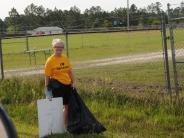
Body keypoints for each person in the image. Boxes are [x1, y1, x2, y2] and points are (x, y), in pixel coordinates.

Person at [44, 38, 75, 129]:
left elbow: (70, 71)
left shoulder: (65, 58)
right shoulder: (50, 61)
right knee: (56, 107)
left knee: (67, 106)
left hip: (67, 85)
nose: (58, 49)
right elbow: (46, 76)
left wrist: (73, 82)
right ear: (53, 48)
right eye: (56, 47)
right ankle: (55, 127)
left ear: (63, 48)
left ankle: (64, 127)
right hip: (56, 86)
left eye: (61, 47)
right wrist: (47, 90)